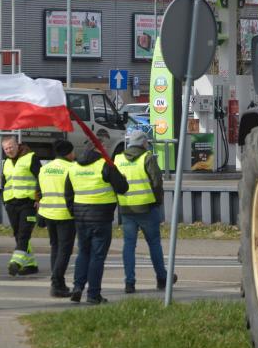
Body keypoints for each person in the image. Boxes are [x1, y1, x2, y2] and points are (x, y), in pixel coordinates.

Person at [65, 145, 128, 305]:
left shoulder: (73, 167)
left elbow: (68, 194)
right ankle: (93, 294)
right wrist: (121, 177)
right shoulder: (105, 165)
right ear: (99, 151)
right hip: (101, 217)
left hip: (81, 217)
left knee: (83, 253)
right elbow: (122, 188)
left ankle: (77, 287)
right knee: (97, 256)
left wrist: (74, 212)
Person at [115, 130, 176, 293]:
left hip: (127, 208)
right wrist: (158, 202)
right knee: (154, 243)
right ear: (143, 143)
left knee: (129, 245)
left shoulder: (118, 159)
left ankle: (129, 282)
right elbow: (157, 182)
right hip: (147, 208)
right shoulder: (147, 157)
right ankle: (162, 278)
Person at [37, 139, 77, 298]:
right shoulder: (72, 168)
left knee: (55, 248)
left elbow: (39, 191)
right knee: (64, 251)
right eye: (73, 151)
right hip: (65, 214)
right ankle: (56, 282)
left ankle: (59, 284)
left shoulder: (44, 169)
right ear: (69, 153)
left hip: (47, 213)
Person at [0, 135, 41, 276]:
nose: (9, 150)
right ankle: (31, 265)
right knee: (18, 235)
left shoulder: (31, 158)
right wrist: (4, 201)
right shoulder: (6, 162)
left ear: (17, 145)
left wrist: (39, 198)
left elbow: (40, 178)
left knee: (24, 234)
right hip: (11, 202)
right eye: (6, 149)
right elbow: (4, 182)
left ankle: (15, 263)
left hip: (28, 203)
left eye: (11, 147)